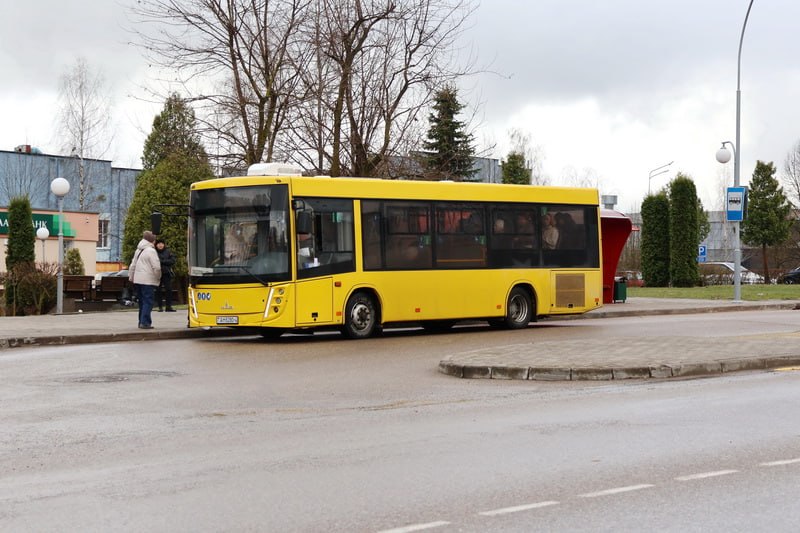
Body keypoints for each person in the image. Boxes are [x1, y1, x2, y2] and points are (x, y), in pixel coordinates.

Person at [129, 230, 162, 329]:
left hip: (138, 280)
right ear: (152, 240)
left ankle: (141, 321)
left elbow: (132, 265)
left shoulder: (138, 250)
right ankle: (145, 322)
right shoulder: (151, 251)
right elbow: (156, 267)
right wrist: (158, 277)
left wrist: (131, 277)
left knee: (142, 302)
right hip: (148, 280)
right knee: (148, 301)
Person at [155, 239, 176, 312]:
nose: (160, 245)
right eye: (159, 244)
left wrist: (163, 261)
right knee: (158, 290)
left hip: (167, 273)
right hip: (157, 273)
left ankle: (168, 306)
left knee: (169, 289)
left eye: (162, 244)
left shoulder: (168, 251)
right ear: (156, 245)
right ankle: (160, 306)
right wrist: (165, 262)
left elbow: (172, 261)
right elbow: (154, 261)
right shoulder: (154, 252)